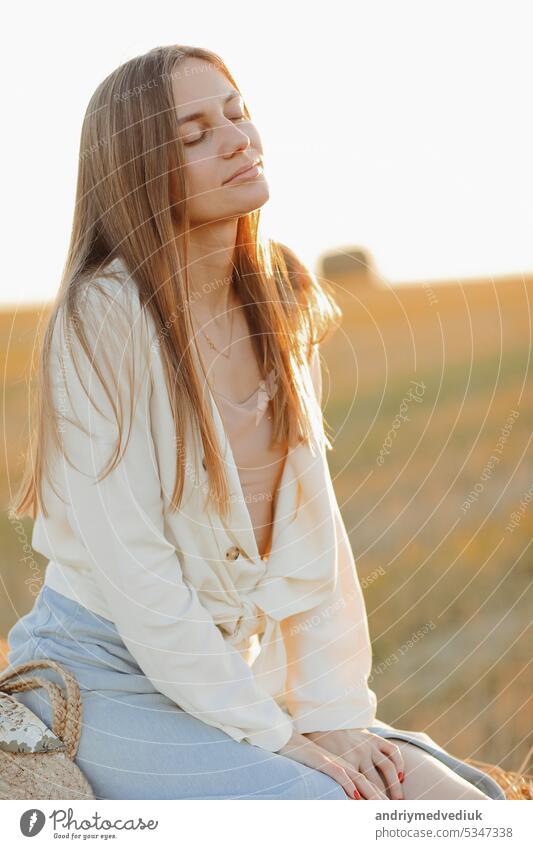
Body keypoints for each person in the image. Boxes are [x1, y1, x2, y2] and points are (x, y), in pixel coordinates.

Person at [6, 44, 505, 801]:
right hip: (106, 676)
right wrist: (276, 734)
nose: (239, 138)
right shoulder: (101, 316)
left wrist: (335, 716)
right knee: (332, 808)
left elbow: (317, 537)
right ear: (139, 168)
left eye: (238, 114)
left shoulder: (272, 293)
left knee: (460, 805)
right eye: (195, 133)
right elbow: (141, 582)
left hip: (224, 669)